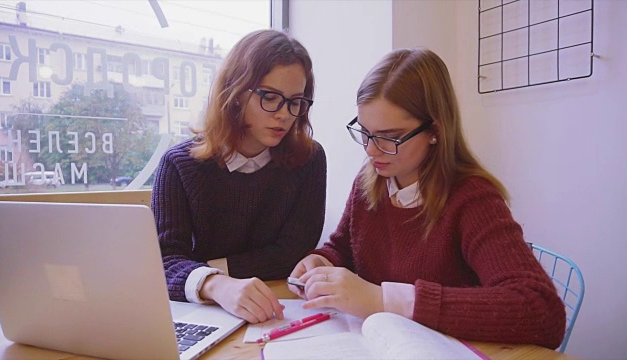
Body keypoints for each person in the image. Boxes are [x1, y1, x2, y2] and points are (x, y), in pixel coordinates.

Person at [288, 48, 566, 349]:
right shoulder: (371, 182)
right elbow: (344, 247)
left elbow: (542, 312)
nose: (371, 150)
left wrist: (385, 299)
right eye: (365, 133)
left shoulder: (472, 198)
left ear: (434, 130)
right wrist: (321, 260)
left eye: (389, 137)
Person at [152, 29, 326, 324]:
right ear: (235, 93)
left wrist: (206, 269)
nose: (284, 114)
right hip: (200, 311)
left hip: (277, 306)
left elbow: (293, 251)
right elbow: (165, 261)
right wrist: (217, 285)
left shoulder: (308, 160)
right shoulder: (179, 164)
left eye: (296, 101)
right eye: (270, 97)